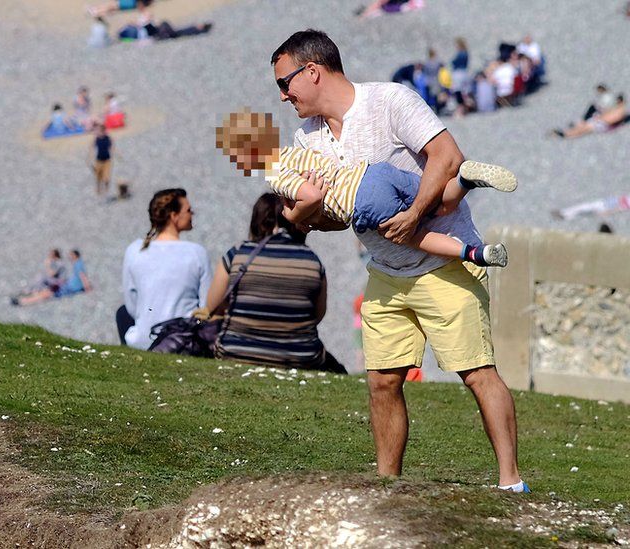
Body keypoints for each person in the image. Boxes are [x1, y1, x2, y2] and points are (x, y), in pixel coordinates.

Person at [271, 29, 526, 492]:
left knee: (477, 372)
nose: (284, 95)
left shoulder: (389, 101)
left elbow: (446, 155)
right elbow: (333, 220)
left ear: (313, 71)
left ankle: (511, 483)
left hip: (442, 264)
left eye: (285, 83)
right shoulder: (305, 140)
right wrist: (312, 209)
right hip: (386, 271)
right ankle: (387, 488)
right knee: (382, 382)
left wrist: (412, 216)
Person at [215, 109, 515, 267]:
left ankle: (474, 253)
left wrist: (295, 214)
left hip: (363, 200)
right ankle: (463, 179)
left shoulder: (276, 173)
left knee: (410, 235)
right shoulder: (294, 151)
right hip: (374, 173)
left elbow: (313, 194)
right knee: (436, 201)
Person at [203, 194, 346, 372]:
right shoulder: (312, 260)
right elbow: (318, 314)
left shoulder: (238, 253)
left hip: (236, 351)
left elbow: (212, 306)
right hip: (301, 357)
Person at [117, 188, 212, 349]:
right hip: (183, 341)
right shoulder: (196, 253)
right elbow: (206, 305)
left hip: (143, 340)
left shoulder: (135, 250)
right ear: (174, 216)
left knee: (122, 312)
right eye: (188, 210)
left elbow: (132, 305)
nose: (192, 214)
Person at [15, 249, 93, 306]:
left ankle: (23, 301)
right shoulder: (78, 264)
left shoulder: (76, 264)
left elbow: (82, 276)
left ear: (75, 256)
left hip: (69, 287)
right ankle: (23, 299)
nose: (70, 257)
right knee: (45, 291)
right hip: (67, 285)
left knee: (46, 293)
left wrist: (87, 288)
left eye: (71, 255)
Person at [552, 95, 627, 139]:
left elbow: (609, 119)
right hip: (600, 121)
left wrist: (599, 118)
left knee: (584, 128)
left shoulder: (619, 112)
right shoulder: (618, 110)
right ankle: (566, 133)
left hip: (600, 123)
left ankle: (565, 134)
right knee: (584, 127)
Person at [90, 125, 114, 197]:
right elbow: (91, 148)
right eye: (96, 131)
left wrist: (117, 155)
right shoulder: (96, 139)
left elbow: (112, 147)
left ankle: (106, 190)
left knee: (106, 177)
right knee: (98, 176)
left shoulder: (108, 138)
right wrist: (90, 159)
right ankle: (98, 189)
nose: (96, 132)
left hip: (107, 160)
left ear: (103, 131)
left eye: (98, 131)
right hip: (98, 160)